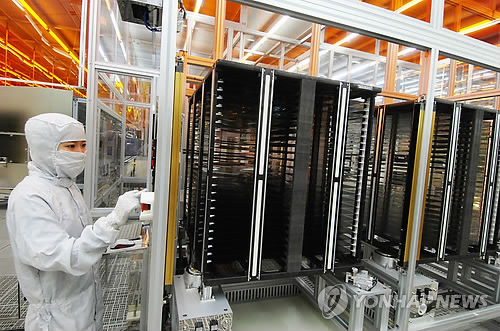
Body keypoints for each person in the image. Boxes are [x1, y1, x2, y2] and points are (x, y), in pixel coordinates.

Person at [6, 113, 142, 331]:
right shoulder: (29, 197)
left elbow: (80, 235)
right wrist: (114, 220)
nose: (80, 153)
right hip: (58, 319)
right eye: (70, 146)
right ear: (43, 149)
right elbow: (67, 255)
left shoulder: (66, 186)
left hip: (85, 304)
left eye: (83, 145)